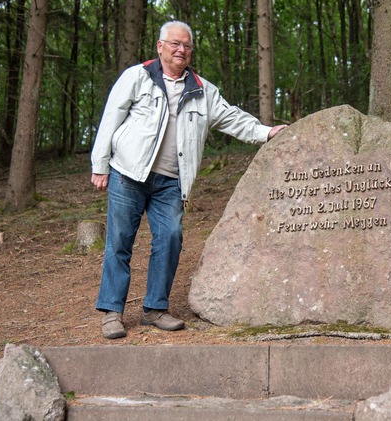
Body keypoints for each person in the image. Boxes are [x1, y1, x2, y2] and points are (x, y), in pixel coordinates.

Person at [91, 20, 287, 339]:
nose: (181, 49)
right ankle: (112, 311)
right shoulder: (137, 77)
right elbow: (111, 116)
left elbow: (232, 118)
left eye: (186, 45)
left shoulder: (202, 90)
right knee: (119, 243)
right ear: (160, 46)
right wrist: (100, 165)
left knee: (170, 239)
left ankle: (155, 308)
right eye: (174, 44)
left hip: (171, 182)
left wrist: (266, 132)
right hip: (128, 173)